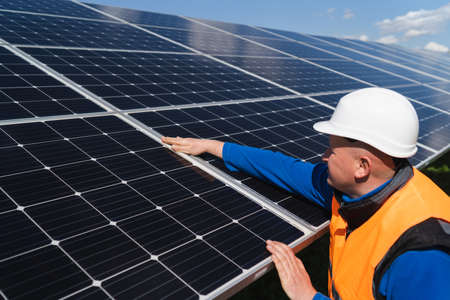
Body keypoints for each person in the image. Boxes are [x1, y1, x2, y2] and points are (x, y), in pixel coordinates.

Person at [161, 87, 450, 300]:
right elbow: (284, 169)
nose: (323, 156)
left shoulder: (421, 253)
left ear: (362, 166)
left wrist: (308, 296)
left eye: (332, 150)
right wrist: (215, 147)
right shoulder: (358, 188)